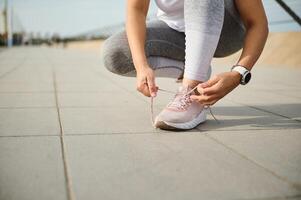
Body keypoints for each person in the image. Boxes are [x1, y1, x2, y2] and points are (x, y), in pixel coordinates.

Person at [101, 0, 269, 130]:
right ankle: (196, 69)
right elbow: (136, 10)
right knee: (116, 53)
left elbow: (257, 23)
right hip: (177, 31)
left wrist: (239, 73)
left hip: (226, 33)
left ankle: (192, 89)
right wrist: (142, 66)